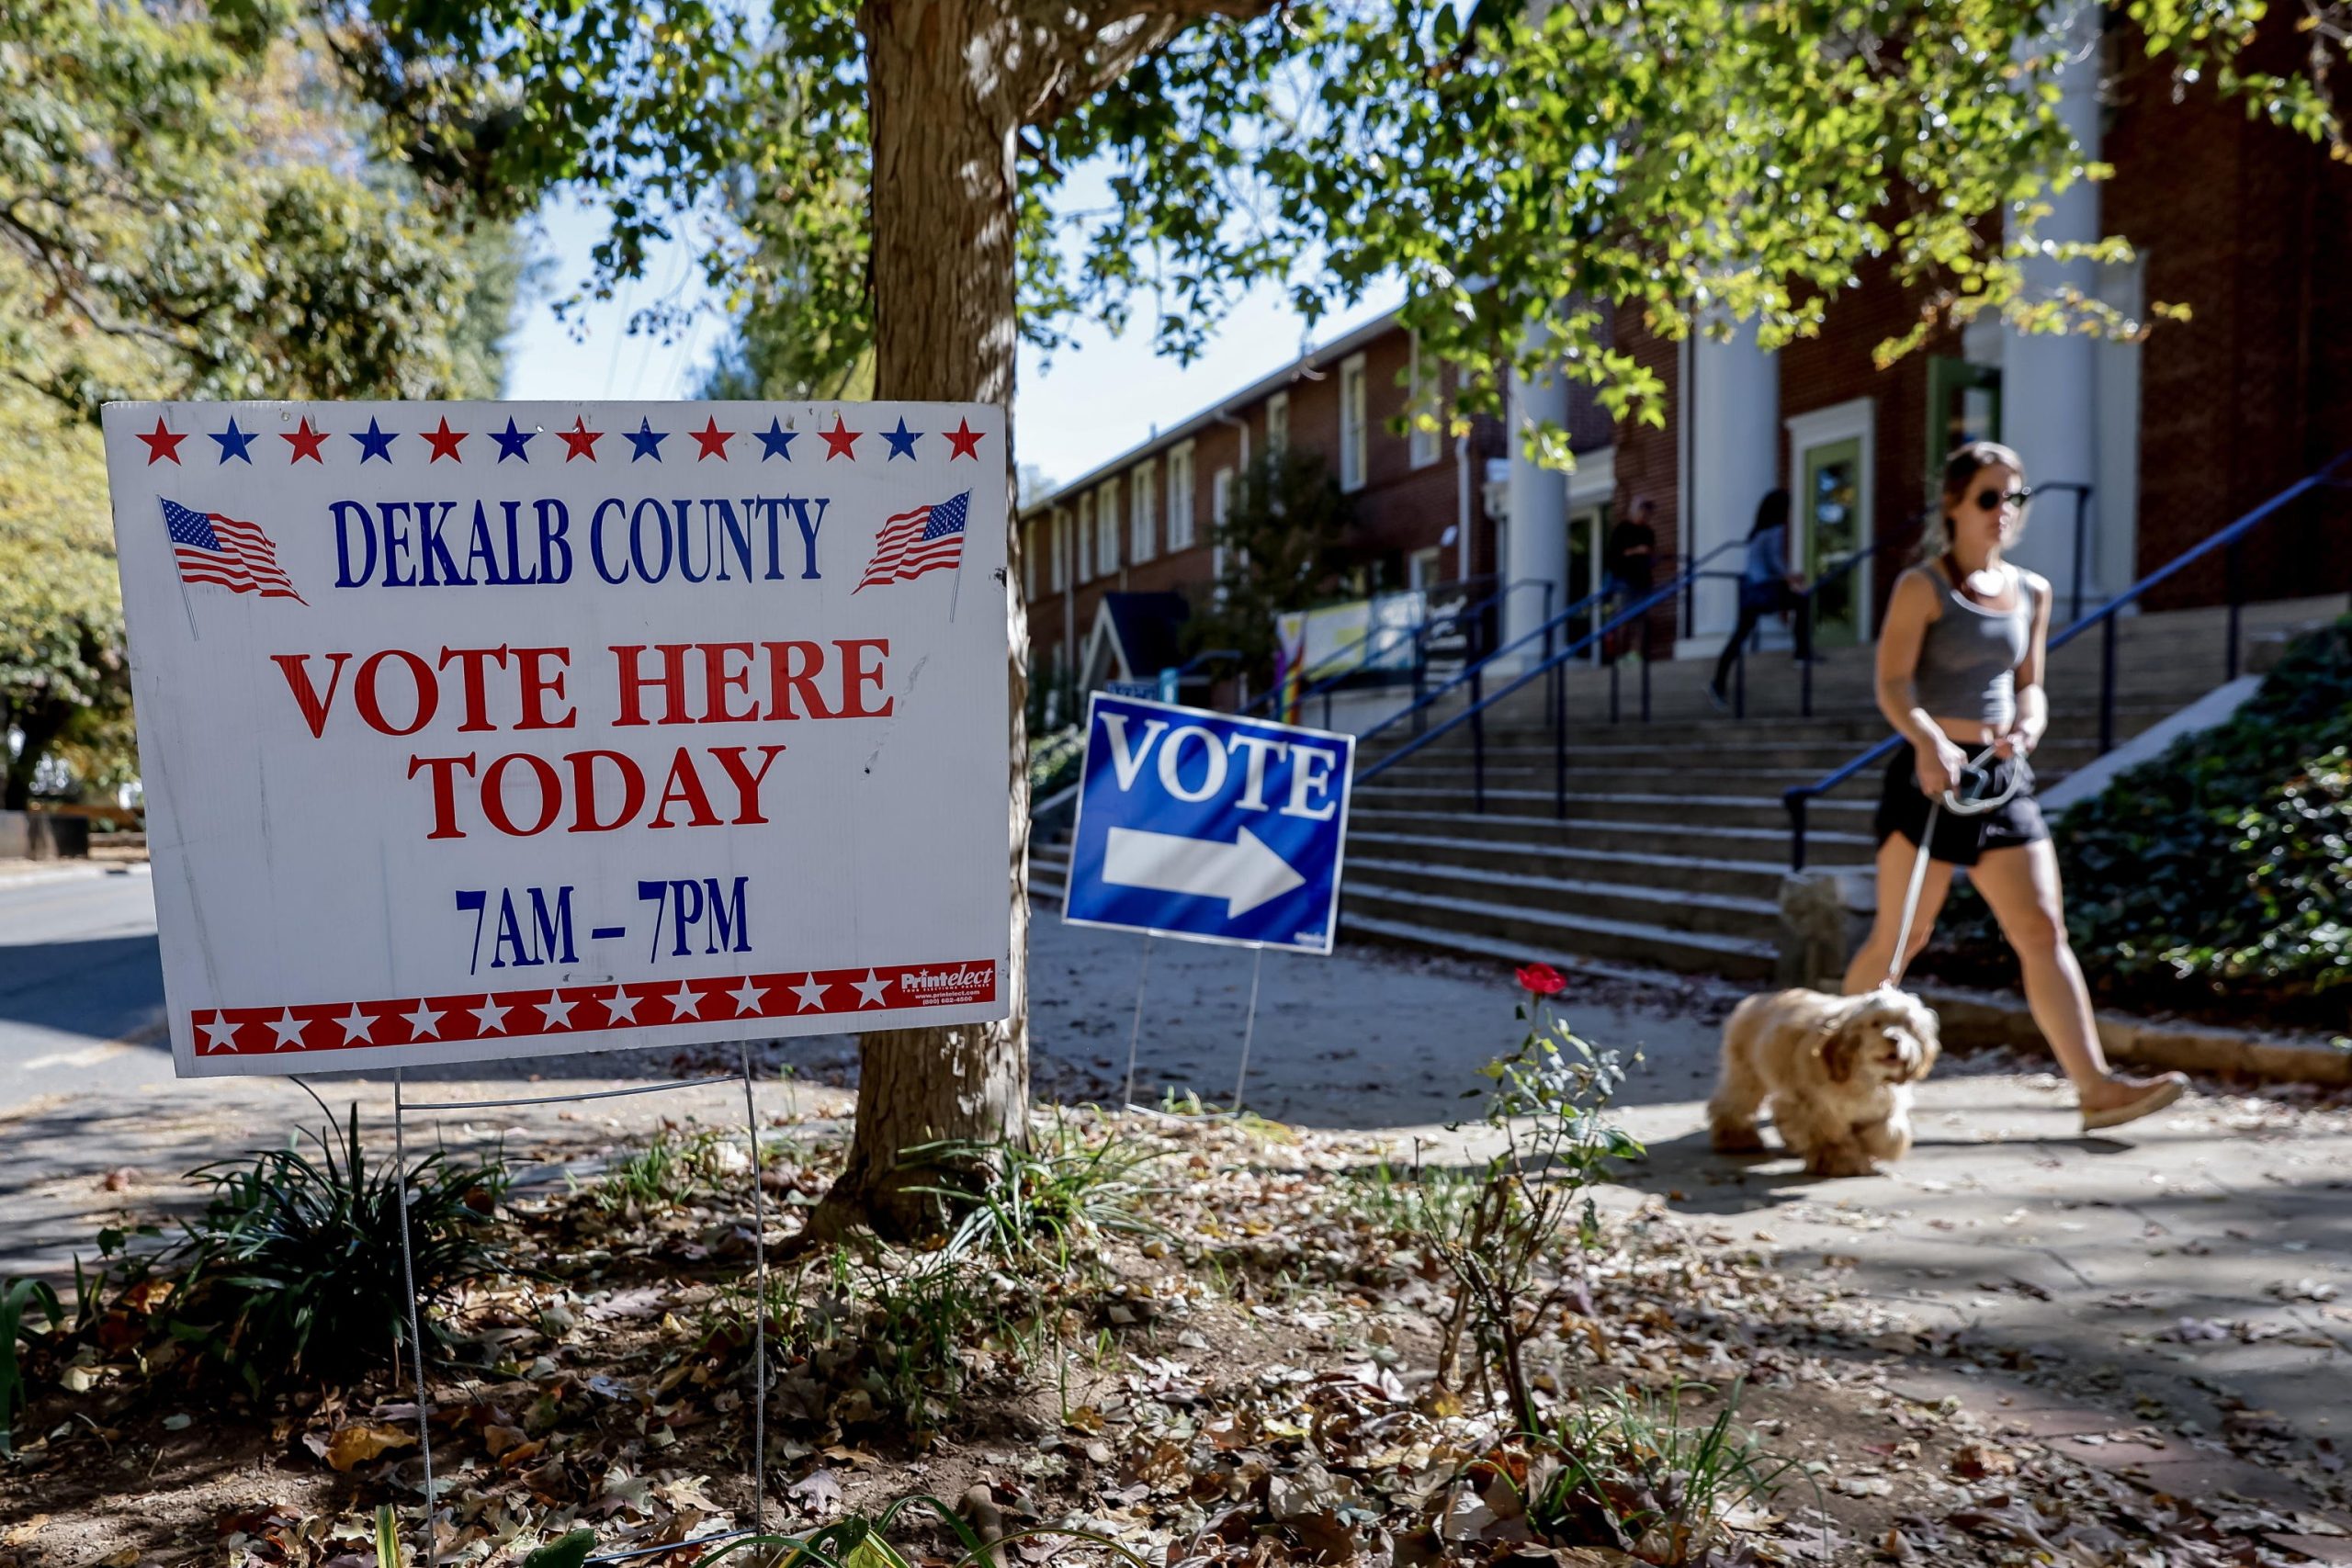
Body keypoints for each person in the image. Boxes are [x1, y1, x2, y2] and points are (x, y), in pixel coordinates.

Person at [1841, 440, 2187, 1132]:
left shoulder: (2032, 589)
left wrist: (2027, 727)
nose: (2005, 511)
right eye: (1990, 497)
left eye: (2016, 497)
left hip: (2003, 780)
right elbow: (1891, 682)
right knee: (1902, 938)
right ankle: (1839, 1077)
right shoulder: (1923, 585)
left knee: (2041, 928)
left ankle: (2096, 1088)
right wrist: (1929, 739)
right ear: (1954, 504)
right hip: (1930, 776)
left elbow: (2031, 686)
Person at [1707, 489, 1809, 707]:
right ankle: (1801, 652)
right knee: (1802, 601)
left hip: (1749, 590)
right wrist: (1792, 577)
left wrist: (1787, 577)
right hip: (1764, 589)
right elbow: (1773, 560)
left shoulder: (1756, 532)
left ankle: (1718, 683)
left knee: (1739, 636)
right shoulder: (1775, 529)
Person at [1602, 497, 1659, 660]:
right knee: (1623, 618)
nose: (1645, 514)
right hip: (1624, 581)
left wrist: (1651, 557)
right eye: (1642, 510)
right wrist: (1637, 550)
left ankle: (1635, 655)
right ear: (1633, 510)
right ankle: (1618, 656)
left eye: (1648, 511)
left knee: (1641, 619)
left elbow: (1650, 553)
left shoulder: (1648, 532)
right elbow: (1616, 556)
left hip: (1643, 581)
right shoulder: (1622, 530)